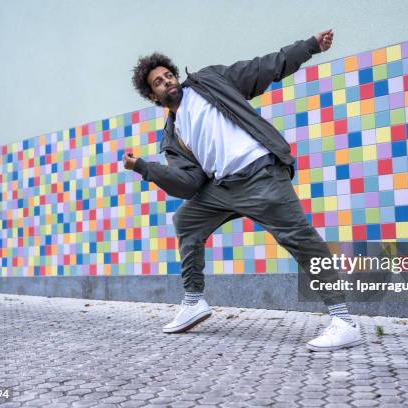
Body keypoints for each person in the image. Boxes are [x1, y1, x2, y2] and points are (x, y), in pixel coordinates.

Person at [123, 30, 363, 351]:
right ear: (154, 97)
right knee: (187, 221)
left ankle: (344, 320)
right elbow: (188, 184)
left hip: (260, 174)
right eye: (159, 82)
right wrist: (144, 167)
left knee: (300, 240)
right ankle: (194, 301)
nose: (168, 81)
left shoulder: (209, 82)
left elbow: (263, 67)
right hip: (223, 188)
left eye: (169, 75)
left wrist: (308, 47)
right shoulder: (173, 136)